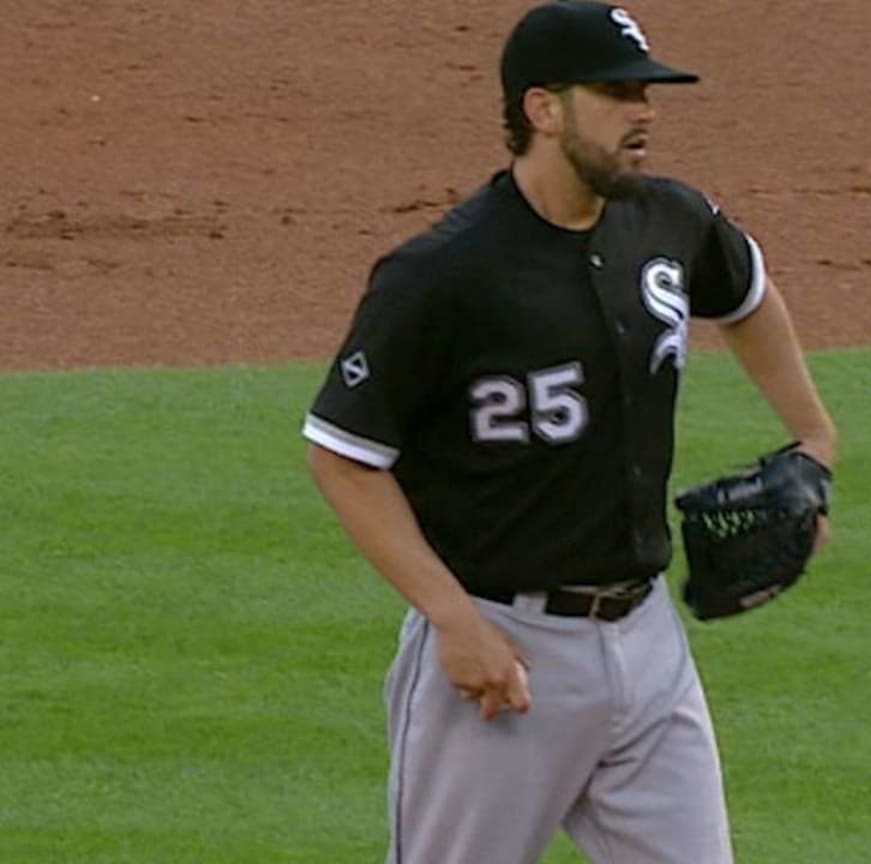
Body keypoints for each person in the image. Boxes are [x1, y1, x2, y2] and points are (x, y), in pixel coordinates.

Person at [301, 2, 838, 862]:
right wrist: (450, 619)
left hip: (647, 643)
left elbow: (747, 295)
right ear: (542, 109)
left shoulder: (669, 221)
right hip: (500, 659)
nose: (645, 112)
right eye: (618, 92)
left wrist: (813, 438)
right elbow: (343, 457)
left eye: (646, 93)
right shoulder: (443, 276)